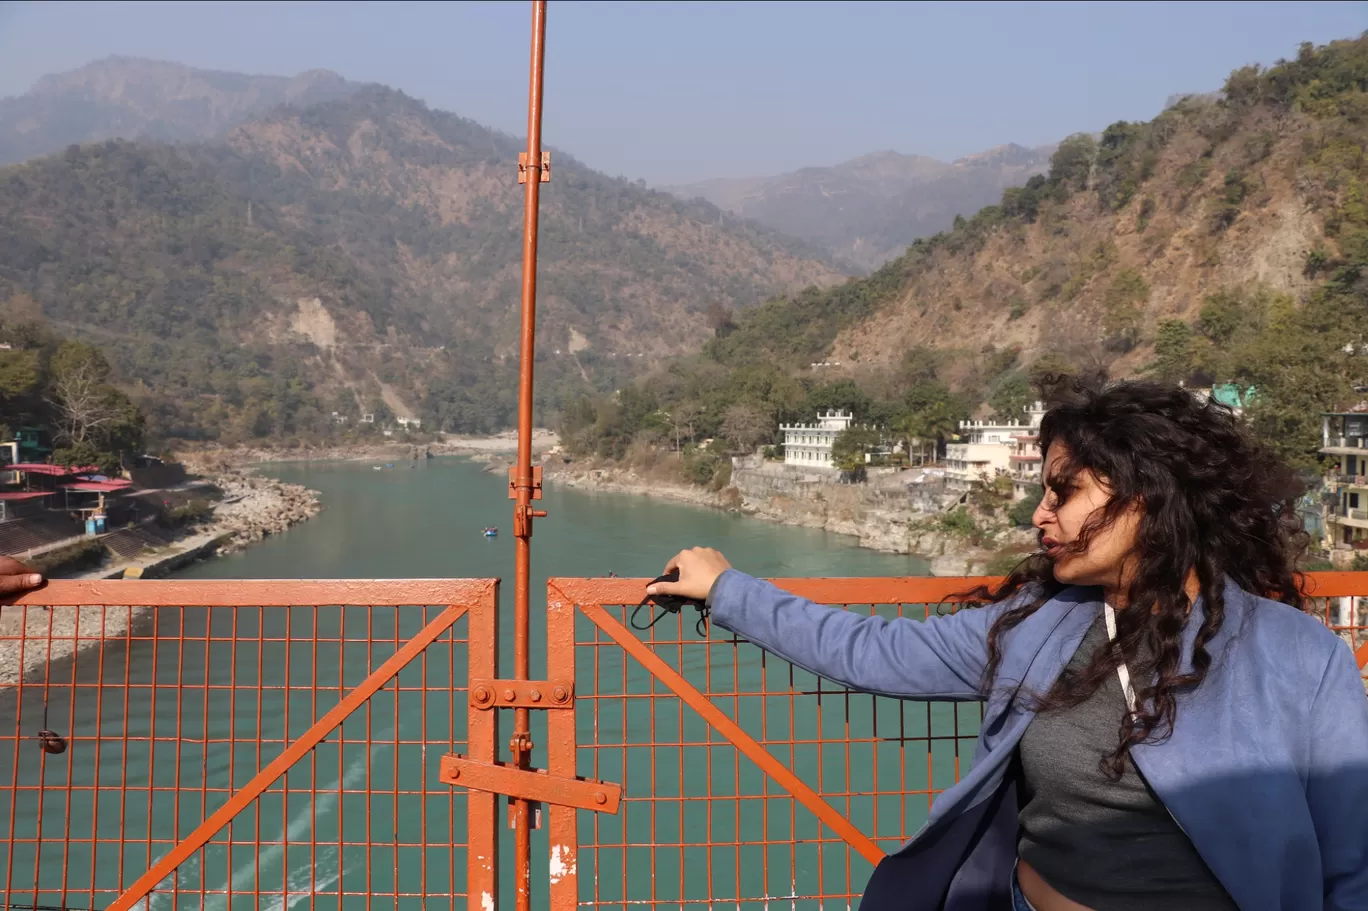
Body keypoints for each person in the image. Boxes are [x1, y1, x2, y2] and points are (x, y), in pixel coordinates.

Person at [647, 378, 1368, 911]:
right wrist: (728, 589)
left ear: (1146, 499)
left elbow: (1352, 861)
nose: (1039, 514)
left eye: (1063, 492)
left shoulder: (1298, 658)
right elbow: (871, 649)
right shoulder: (1039, 623)